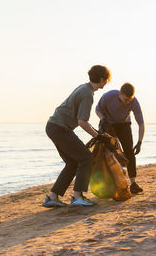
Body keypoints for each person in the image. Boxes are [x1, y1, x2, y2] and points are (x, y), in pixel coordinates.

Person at [42, 65, 112, 207]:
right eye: (107, 80)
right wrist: (98, 136)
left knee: (73, 162)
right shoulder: (87, 94)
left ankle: (52, 197)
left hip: (54, 126)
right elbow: (82, 122)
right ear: (102, 79)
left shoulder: (84, 87)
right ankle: (78, 196)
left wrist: (97, 134)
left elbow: (82, 121)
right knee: (86, 158)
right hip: (60, 128)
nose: (107, 82)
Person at [95, 82, 145, 194]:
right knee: (107, 153)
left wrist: (140, 142)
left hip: (123, 125)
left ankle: (133, 183)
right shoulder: (108, 96)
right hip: (107, 123)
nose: (128, 102)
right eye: (126, 99)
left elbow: (141, 123)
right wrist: (103, 119)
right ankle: (109, 183)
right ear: (120, 94)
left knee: (129, 152)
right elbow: (97, 109)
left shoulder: (134, 102)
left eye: (130, 100)